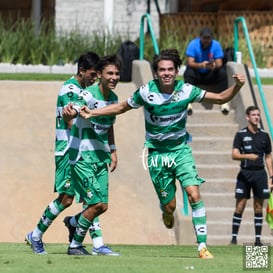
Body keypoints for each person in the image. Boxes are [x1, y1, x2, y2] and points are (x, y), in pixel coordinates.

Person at [79, 48, 245, 258]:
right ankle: (166, 211)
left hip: (180, 151)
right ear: (156, 73)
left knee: (194, 194)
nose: (166, 73)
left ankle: (202, 246)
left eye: (170, 69)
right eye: (161, 70)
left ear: (177, 71)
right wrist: (92, 112)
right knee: (170, 206)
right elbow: (121, 107)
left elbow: (221, 98)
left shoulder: (186, 90)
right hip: (157, 155)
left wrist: (238, 86)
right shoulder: (146, 92)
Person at [25, 52, 118, 256]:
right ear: (81, 71)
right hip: (68, 150)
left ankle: (95, 241)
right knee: (67, 199)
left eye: (97, 75)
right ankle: (36, 235)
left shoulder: (92, 92)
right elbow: (70, 120)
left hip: (86, 150)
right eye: (92, 75)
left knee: (91, 197)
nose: (94, 79)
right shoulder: (70, 90)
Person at [62, 54, 121, 255]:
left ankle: (72, 222)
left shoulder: (113, 99)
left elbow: (110, 126)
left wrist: (113, 150)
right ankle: (75, 245)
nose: (114, 77)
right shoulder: (88, 93)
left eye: (116, 73)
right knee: (94, 203)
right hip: (82, 157)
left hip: (100, 157)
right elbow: (76, 107)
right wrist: (70, 112)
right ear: (101, 75)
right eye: (109, 73)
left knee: (102, 206)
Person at [230, 105, 273, 246]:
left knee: (258, 206)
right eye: (253, 115)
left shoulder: (264, 136)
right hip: (245, 174)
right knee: (240, 206)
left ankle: (258, 240)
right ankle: (234, 238)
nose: (256, 117)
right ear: (247, 117)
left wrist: (271, 177)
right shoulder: (240, 135)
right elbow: (234, 155)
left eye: (258, 115)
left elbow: (268, 157)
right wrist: (247, 156)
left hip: (260, 175)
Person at [183, 27, 229, 115]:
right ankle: (188, 100)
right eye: (204, 38)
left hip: (210, 73)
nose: (206, 40)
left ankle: (223, 100)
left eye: (208, 38)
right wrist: (201, 65)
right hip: (197, 73)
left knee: (222, 72)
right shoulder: (193, 44)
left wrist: (214, 66)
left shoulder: (216, 45)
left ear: (211, 38)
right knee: (189, 72)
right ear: (200, 37)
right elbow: (190, 62)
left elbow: (219, 62)